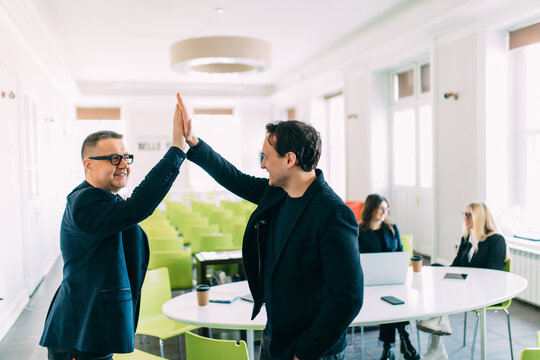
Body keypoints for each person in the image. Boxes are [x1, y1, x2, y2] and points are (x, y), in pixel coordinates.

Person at [179, 94, 363, 360]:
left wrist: (305, 352)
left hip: (312, 347)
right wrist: (193, 142)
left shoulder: (333, 214)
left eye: (265, 157)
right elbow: (236, 179)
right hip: (277, 332)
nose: (262, 164)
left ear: (289, 159)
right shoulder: (278, 192)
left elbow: (348, 298)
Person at [39, 94, 190, 360]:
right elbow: (138, 207)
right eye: (113, 158)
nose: (123, 165)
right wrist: (176, 149)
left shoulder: (105, 199)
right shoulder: (84, 201)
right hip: (81, 331)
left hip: (95, 328)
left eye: (125, 157)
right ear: (88, 164)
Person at [417, 201, 507, 360]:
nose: (465, 218)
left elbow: (493, 275)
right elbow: (455, 266)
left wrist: (463, 279)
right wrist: (441, 273)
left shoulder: (496, 240)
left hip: (486, 291)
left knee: (446, 285)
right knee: (437, 267)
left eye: (469, 214)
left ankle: (438, 330)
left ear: (480, 217)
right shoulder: (467, 239)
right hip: (466, 286)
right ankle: (438, 332)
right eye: (464, 214)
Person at [357, 194, 420, 360]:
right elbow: (359, 259)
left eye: (386, 208)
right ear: (371, 209)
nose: (384, 212)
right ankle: (403, 338)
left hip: (393, 279)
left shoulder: (392, 229)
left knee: (394, 299)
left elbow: (400, 253)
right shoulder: (360, 232)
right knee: (391, 301)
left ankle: (388, 347)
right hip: (372, 283)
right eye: (381, 208)